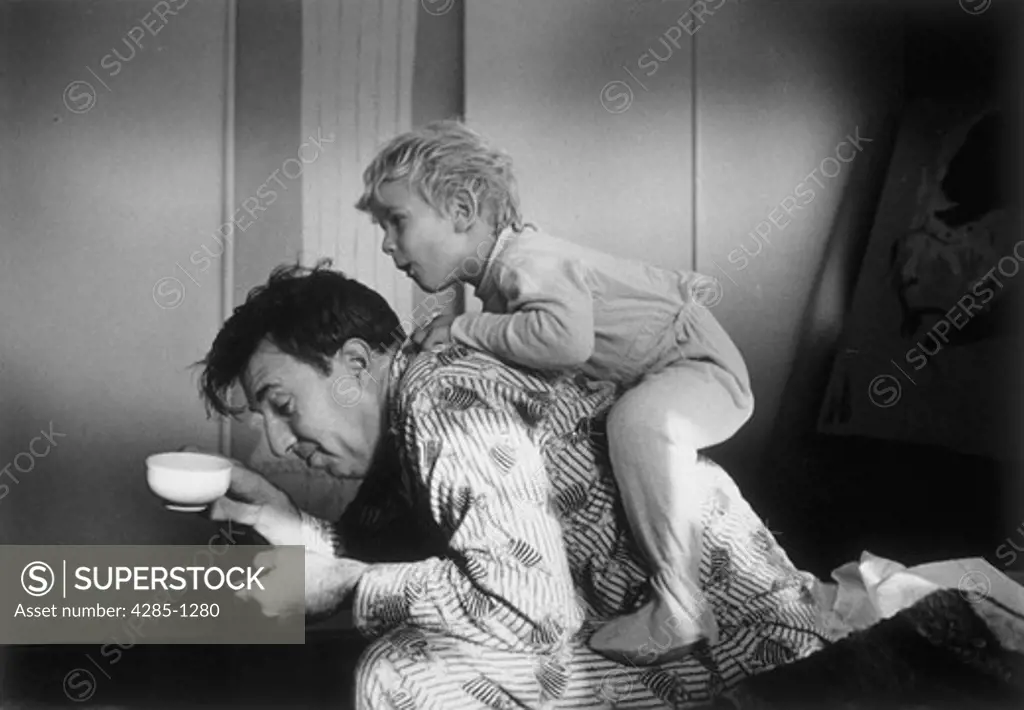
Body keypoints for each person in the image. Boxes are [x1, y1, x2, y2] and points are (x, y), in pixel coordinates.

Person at [196, 262, 830, 709]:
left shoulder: (442, 395)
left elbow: (526, 609)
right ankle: (98, 605)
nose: (278, 442)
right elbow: (402, 559)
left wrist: (344, 584)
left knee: (407, 673)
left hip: (757, 661)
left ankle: (102, 607)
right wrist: (297, 528)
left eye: (281, 404)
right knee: (145, 601)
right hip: (678, 644)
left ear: (357, 364)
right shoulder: (410, 431)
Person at [354, 120, 755, 663]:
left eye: (397, 221)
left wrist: (464, 327)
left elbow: (564, 341)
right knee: (622, 424)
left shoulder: (526, 260)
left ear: (463, 210)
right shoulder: (501, 277)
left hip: (697, 363)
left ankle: (681, 604)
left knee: (638, 423)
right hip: (664, 366)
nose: (386, 243)